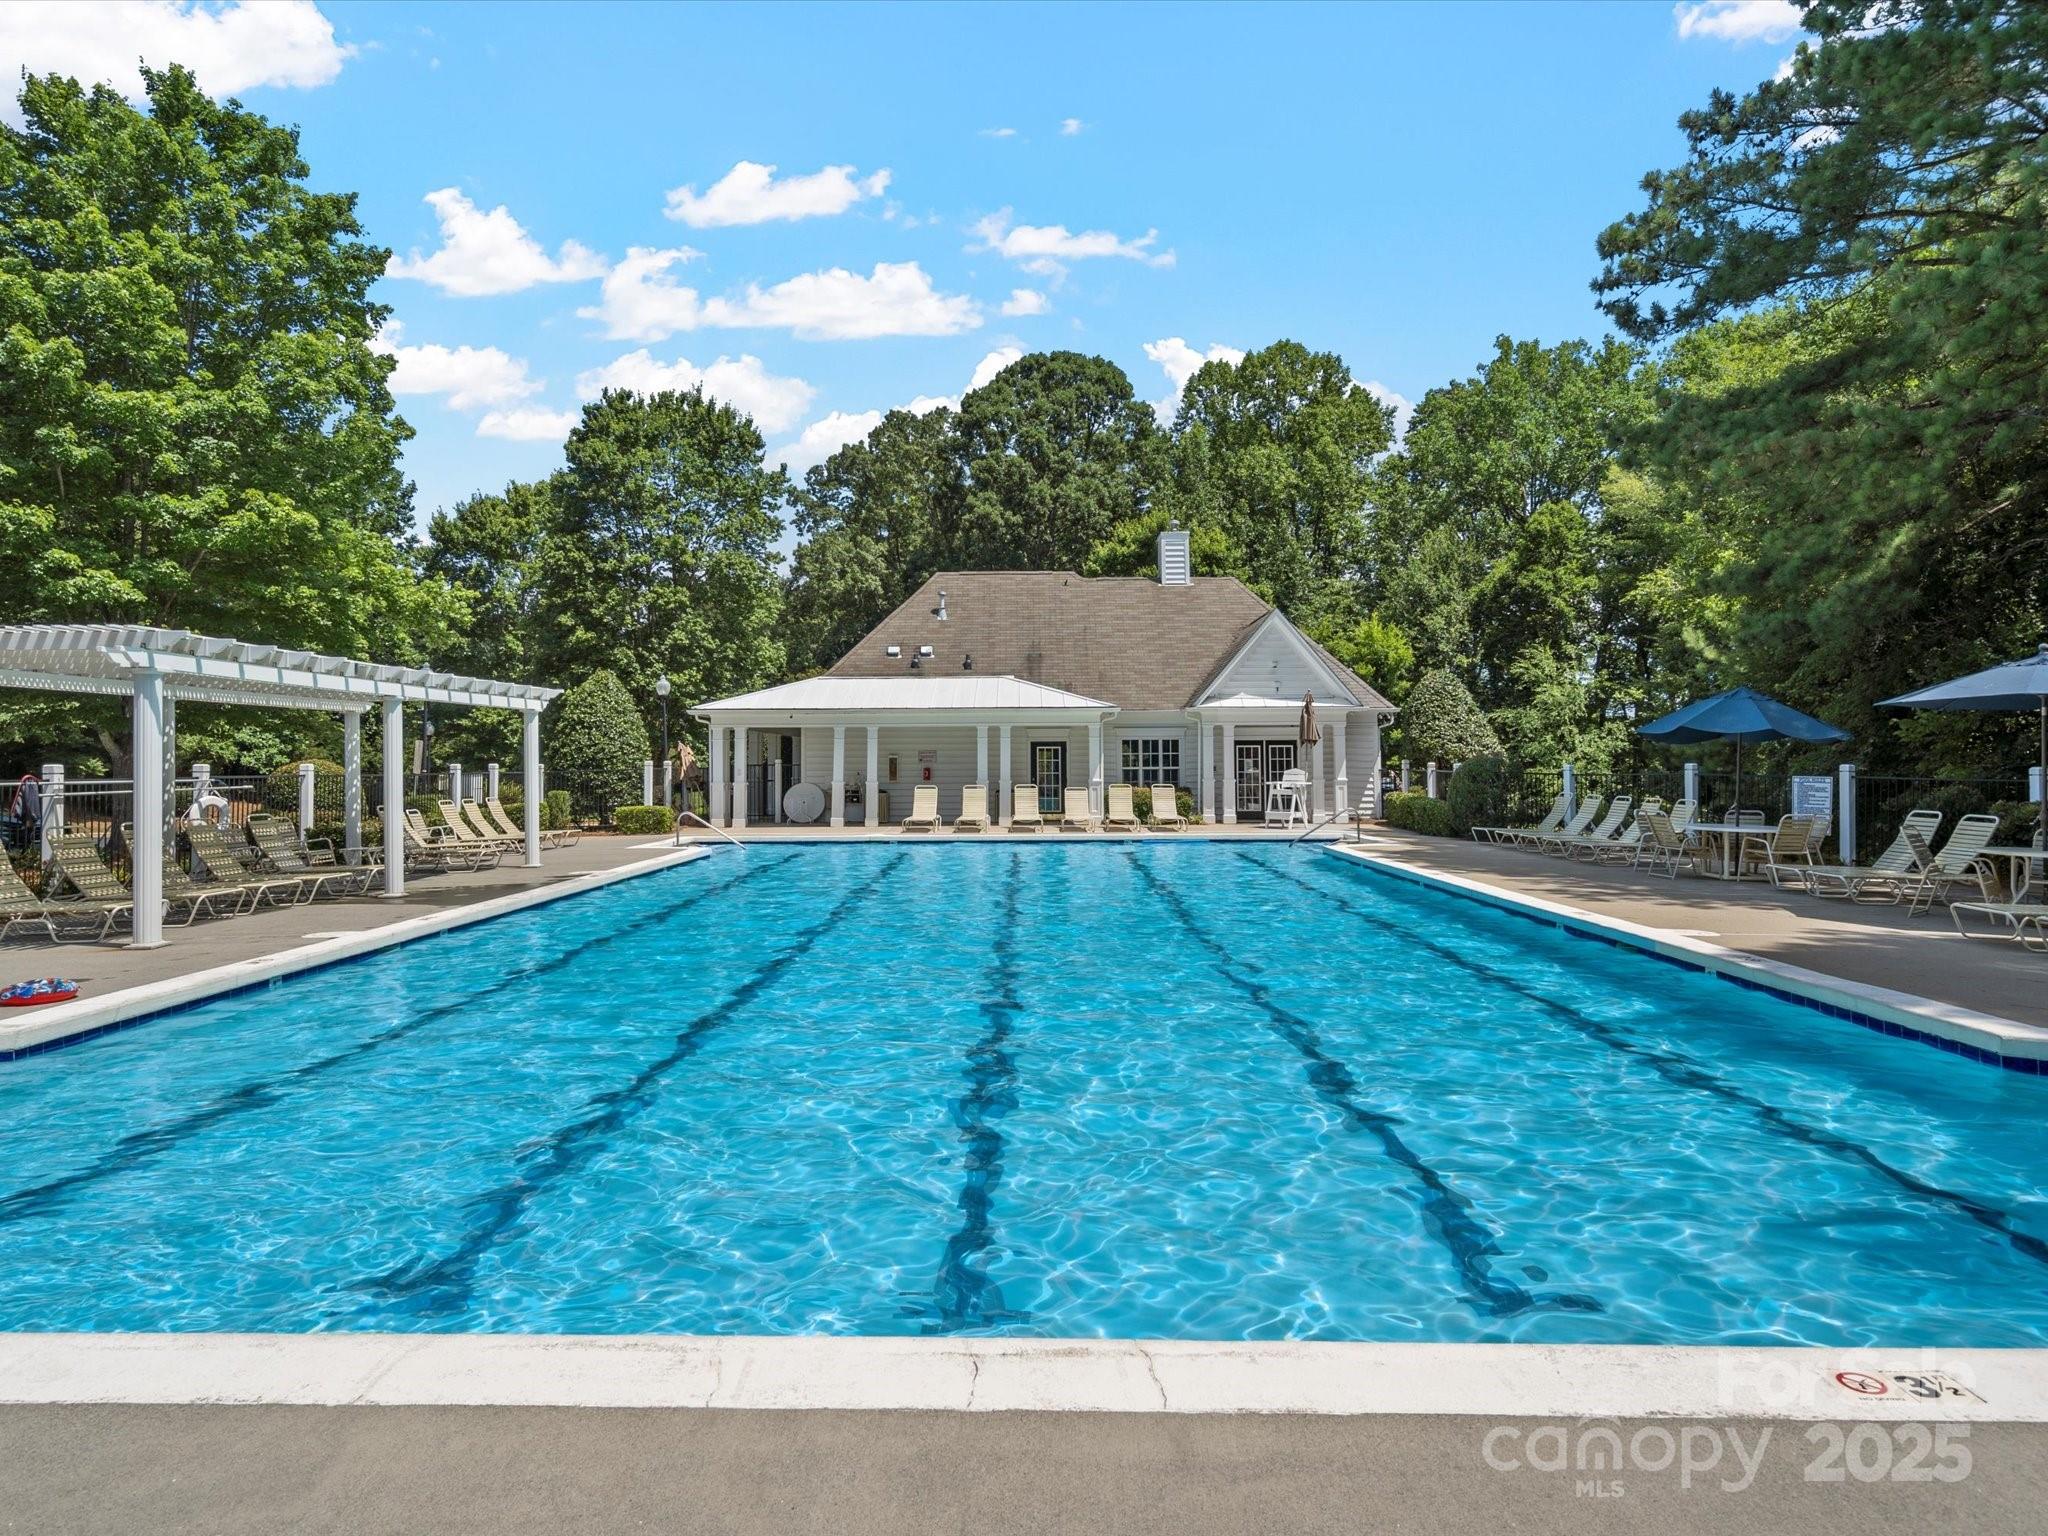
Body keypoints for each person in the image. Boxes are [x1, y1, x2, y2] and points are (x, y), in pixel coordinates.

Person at [3, 772, 40, 853]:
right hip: (27, 818)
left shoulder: (28, 785)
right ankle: (26, 847)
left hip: (27, 818)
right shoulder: (28, 785)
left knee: (28, 825)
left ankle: (26, 847)